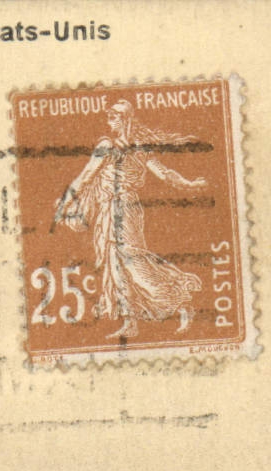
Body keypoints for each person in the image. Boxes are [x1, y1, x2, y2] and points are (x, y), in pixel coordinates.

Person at [53, 99, 207, 342]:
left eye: (113, 117)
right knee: (115, 266)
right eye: (109, 117)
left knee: (133, 263)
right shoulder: (125, 146)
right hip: (112, 208)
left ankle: (179, 301)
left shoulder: (124, 146)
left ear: (124, 119)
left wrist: (64, 205)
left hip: (123, 209)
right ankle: (130, 322)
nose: (109, 121)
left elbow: (85, 177)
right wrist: (189, 184)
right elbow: (86, 177)